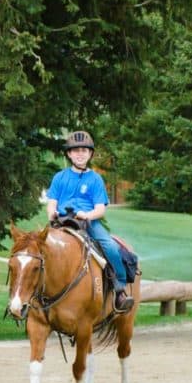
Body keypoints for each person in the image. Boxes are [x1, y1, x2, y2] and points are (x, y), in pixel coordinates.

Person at [45, 131, 135, 313]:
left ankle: (120, 288)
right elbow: (51, 203)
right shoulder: (59, 177)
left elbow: (101, 209)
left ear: (90, 154)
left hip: (88, 222)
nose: (80, 154)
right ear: (69, 154)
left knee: (109, 246)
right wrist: (52, 213)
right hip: (62, 222)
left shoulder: (95, 179)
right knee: (37, 249)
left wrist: (87, 215)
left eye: (84, 151)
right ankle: (37, 294)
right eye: (76, 150)